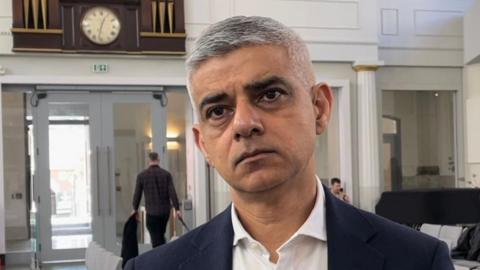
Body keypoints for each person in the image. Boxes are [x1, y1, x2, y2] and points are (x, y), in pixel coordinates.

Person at [125, 16, 453, 269]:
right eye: (219, 110)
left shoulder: (418, 260)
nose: (243, 124)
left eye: (270, 95)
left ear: (319, 108)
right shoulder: (153, 267)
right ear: (203, 144)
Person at [131, 152, 181, 248]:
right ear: (158, 160)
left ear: (148, 161)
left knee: (156, 239)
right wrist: (177, 209)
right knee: (160, 235)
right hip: (164, 212)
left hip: (151, 212)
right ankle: (162, 254)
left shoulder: (142, 176)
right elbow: (172, 192)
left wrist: (135, 208)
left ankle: (159, 257)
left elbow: (137, 194)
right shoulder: (166, 175)